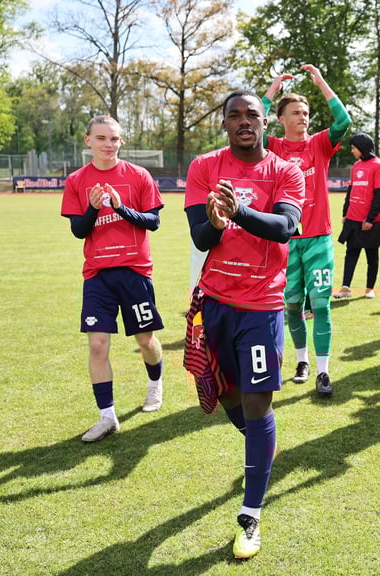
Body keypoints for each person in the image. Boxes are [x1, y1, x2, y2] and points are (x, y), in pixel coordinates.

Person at [185, 89, 306, 559]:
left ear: (263, 123)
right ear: (224, 125)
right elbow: (200, 234)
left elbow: (284, 228)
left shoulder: (285, 170)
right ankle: (263, 448)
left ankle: (250, 516)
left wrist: (239, 211)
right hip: (216, 302)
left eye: (251, 114)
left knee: (257, 404)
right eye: (234, 116)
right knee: (231, 398)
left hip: (262, 305)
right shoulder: (204, 168)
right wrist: (216, 220)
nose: (243, 122)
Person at [60, 115, 165, 442]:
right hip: (97, 276)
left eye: (114, 139)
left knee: (146, 341)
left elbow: (153, 222)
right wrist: (92, 209)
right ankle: (107, 416)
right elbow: (79, 230)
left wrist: (121, 209)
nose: (109, 144)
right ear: (88, 140)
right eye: (102, 138)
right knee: (97, 344)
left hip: (134, 272)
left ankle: (154, 384)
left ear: (121, 141)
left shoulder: (138, 175)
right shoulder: (77, 180)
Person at [262, 65, 351, 396]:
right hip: (286, 241)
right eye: (296, 113)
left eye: (306, 113)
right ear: (282, 119)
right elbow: (251, 124)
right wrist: (272, 90)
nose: (303, 117)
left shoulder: (319, 145)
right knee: (292, 306)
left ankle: (324, 372)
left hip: (318, 240)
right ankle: (301, 361)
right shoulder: (272, 147)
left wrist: (322, 84)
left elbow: (343, 122)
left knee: (322, 304)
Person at [339, 133, 380, 299]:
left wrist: (371, 219)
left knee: (371, 256)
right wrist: (345, 213)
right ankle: (345, 287)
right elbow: (350, 191)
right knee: (350, 253)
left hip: (370, 222)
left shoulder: (378, 166)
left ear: (363, 147)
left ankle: (369, 289)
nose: (352, 150)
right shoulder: (356, 166)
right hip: (353, 219)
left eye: (354, 147)